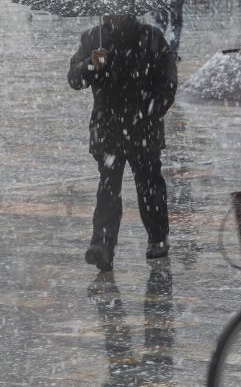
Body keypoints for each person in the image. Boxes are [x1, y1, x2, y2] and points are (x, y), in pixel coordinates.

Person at [68, 14, 177, 271]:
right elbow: (74, 79)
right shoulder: (94, 38)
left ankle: (157, 237)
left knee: (149, 185)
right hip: (108, 129)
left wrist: (150, 112)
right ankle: (102, 245)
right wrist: (92, 64)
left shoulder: (151, 38)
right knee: (108, 188)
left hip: (143, 129)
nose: (111, 15)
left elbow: (168, 83)